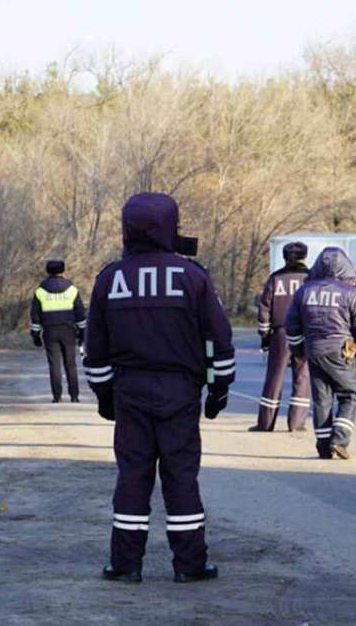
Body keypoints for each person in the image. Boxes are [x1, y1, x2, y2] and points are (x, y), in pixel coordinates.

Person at [83, 192, 234, 584]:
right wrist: (218, 391)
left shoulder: (109, 278)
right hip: (180, 392)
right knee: (181, 477)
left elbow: (94, 351)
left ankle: (125, 564)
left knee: (132, 477)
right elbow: (219, 338)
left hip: (129, 393)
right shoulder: (192, 276)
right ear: (171, 226)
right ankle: (190, 565)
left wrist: (105, 397)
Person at [285, 247, 356, 460]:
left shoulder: (303, 291)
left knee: (322, 399)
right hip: (341, 351)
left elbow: (292, 325)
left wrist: (298, 351)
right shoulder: (350, 293)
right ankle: (339, 440)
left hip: (314, 350)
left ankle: (324, 447)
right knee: (351, 394)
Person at [252, 241, 311, 432]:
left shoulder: (275, 278)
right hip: (304, 332)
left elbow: (265, 308)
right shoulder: (310, 279)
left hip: (280, 333)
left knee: (274, 377)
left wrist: (264, 333)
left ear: (285, 258)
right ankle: (296, 423)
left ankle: (266, 423)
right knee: (302, 377)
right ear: (304, 257)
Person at [30, 260, 86, 403]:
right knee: (71, 364)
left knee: (54, 364)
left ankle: (57, 397)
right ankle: (74, 396)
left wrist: (35, 335)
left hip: (49, 331)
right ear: (63, 271)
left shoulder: (40, 291)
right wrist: (82, 332)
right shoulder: (71, 289)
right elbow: (80, 312)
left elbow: (35, 315)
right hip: (68, 330)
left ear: (47, 271)